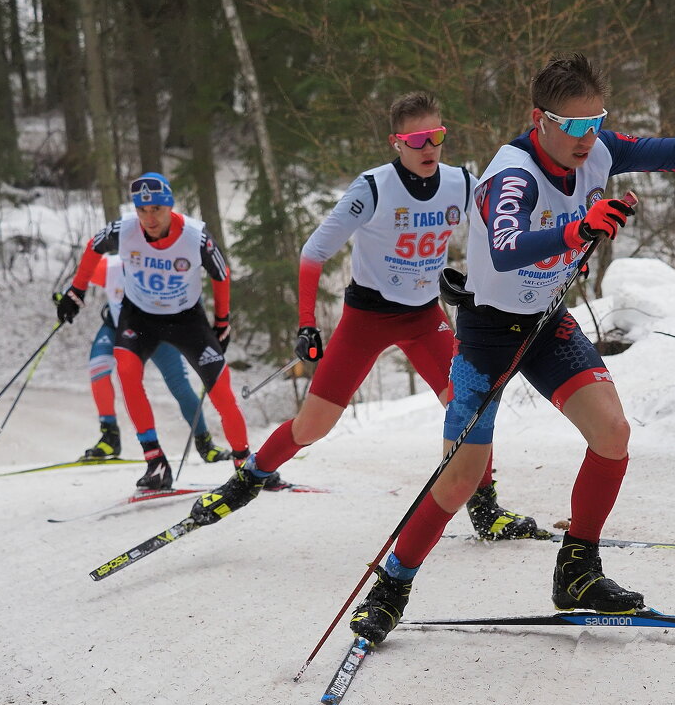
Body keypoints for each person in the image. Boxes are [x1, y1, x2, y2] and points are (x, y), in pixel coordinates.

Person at [345, 53, 675, 644]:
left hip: (545, 323)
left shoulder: (596, 147)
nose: (585, 136)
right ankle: (391, 586)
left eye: (595, 121)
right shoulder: (509, 173)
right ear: (538, 119)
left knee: (612, 433)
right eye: (571, 125)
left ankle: (578, 570)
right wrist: (580, 227)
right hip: (490, 332)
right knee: (461, 476)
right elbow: (509, 244)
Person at [189, 91, 544, 537]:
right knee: (313, 425)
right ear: (396, 142)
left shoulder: (463, 183)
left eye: (436, 136)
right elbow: (313, 252)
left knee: (468, 405)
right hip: (368, 318)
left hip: (424, 315)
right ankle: (247, 479)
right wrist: (306, 323)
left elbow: (506, 229)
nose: (429, 148)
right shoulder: (373, 187)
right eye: (417, 140)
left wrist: (547, 253)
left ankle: (485, 508)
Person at [55, 172, 250, 490]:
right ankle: (156, 462)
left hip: (186, 318)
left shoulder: (194, 236)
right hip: (139, 316)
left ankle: (246, 465)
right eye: (142, 210)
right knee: (127, 374)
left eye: (156, 209)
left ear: (169, 206)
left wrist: (223, 321)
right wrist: (76, 291)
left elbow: (222, 273)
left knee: (220, 390)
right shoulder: (125, 229)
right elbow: (93, 247)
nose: (149, 218)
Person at [77, 253, 231, 464]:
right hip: (117, 328)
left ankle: (204, 442)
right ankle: (109, 435)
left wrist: (204, 324)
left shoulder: (165, 264)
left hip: (158, 332)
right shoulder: (110, 266)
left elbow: (190, 291)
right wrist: (70, 296)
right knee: (98, 367)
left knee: (179, 385)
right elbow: (83, 274)